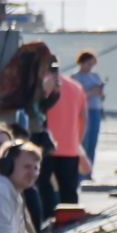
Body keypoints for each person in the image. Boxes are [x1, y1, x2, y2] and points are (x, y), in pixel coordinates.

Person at [42, 62, 88, 206]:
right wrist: (77, 142)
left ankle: (47, 220)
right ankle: (70, 222)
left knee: (43, 188)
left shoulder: (42, 86)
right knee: (69, 192)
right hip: (70, 148)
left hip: (44, 146)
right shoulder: (76, 87)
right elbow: (84, 118)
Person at [76, 51, 105, 179]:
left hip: (96, 110)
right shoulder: (76, 78)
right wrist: (92, 91)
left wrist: (100, 92)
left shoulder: (96, 76)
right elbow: (79, 97)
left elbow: (101, 96)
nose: (90, 67)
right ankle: (80, 172)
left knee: (93, 141)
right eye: (88, 64)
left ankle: (89, 172)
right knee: (84, 141)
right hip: (84, 111)